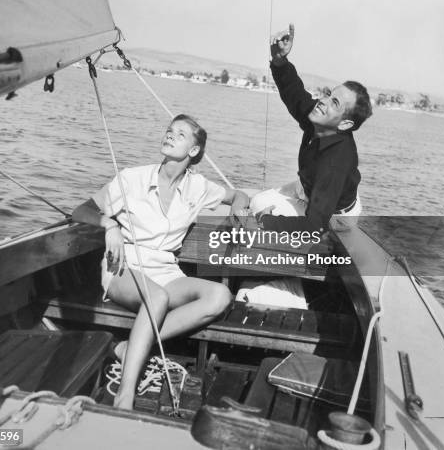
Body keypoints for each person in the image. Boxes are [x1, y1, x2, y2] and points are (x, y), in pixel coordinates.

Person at [72, 114, 249, 410]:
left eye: (179, 134)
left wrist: (241, 209)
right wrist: (110, 225)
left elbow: (237, 194)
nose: (169, 135)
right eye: (169, 131)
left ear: (193, 151)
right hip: (123, 266)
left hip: (166, 270)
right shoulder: (132, 178)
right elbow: (81, 210)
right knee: (157, 298)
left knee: (220, 296)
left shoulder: (199, 187)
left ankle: (131, 347)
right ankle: (125, 396)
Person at [251, 24, 372, 235]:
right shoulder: (322, 119)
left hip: (336, 215)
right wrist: (279, 60)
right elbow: (296, 96)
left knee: (258, 208)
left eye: (334, 103)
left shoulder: (335, 161)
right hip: (313, 187)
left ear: (345, 124)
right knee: (258, 201)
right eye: (328, 94)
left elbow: (315, 225)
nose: (323, 101)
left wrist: (267, 221)